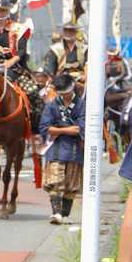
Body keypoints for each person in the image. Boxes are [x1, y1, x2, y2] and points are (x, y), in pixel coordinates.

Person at [40, 74, 83, 225]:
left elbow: (80, 129)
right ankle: (56, 213)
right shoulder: (51, 105)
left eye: (67, 92)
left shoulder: (81, 104)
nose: (64, 95)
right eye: (62, 93)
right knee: (54, 182)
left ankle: (65, 214)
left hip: (74, 149)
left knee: (72, 185)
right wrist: (68, 129)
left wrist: (58, 128)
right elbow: (45, 128)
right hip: (55, 148)